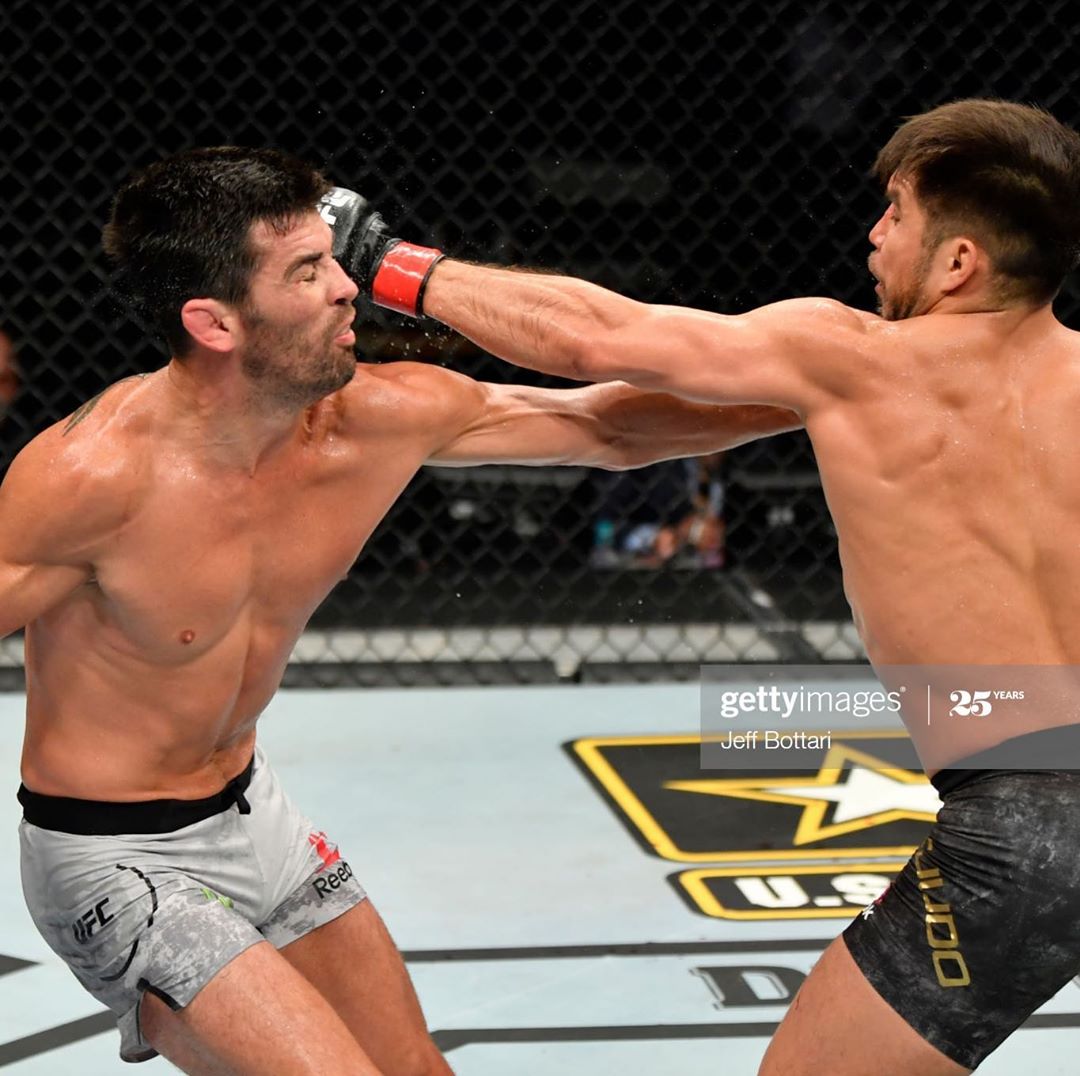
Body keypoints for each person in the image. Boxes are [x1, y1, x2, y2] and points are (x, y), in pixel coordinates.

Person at [0, 146, 798, 1075]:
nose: (349, 287)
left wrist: (824, 393)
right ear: (213, 322)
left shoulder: (372, 420)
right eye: (307, 272)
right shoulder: (89, 480)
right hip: (114, 859)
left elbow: (608, 425)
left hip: (256, 818)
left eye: (332, 258)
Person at [341, 99, 1080, 1073]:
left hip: (1024, 823)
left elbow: (600, 335)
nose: (874, 233)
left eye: (896, 211)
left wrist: (384, 257)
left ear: (958, 262)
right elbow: (621, 417)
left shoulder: (853, 358)